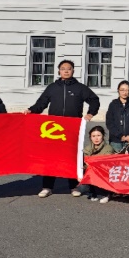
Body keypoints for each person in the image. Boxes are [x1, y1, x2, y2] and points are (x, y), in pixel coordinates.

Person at [25, 59, 100, 198]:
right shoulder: (52, 88)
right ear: (59, 71)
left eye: (69, 68)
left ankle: (74, 186)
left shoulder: (80, 88)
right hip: (54, 129)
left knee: (71, 157)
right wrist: (31, 110)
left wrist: (91, 113)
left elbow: (94, 100)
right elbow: (41, 103)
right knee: (51, 157)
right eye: (63, 68)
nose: (66, 71)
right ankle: (47, 187)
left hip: (72, 128)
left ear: (73, 71)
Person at [80, 126, 115, 204]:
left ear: (103, 136)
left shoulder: (108, 148)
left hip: (104, 173)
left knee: (96, 173)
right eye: (93, 136)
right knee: (82, 188)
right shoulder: (87, 149)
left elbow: (106, 163)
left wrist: (91, 163)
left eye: (98, 135)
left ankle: (106, 194)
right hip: (91, 172)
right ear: (90, 137)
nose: (96, 138)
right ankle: (94, 193)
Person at [105, 80, 129, 153]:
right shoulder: (113, 104)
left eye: (127, 90)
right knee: (116, 158)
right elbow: (109, 122)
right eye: (122, 90)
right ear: (118, 90)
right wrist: (120, 135)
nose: (125, 92)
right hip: (116, 140)